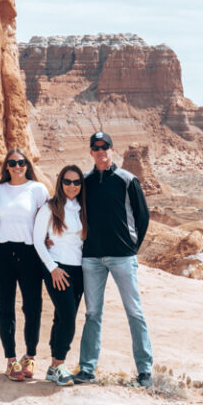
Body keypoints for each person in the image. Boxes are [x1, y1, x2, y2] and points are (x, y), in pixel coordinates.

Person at [74, 130, 154, 387]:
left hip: (122, 257)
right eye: (95, 147)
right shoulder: (84, 182)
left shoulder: (127, 180)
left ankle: (145, 372)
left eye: (104, 146)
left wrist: (131, 247)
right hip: (92, 258)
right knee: (92, 313)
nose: (100, 151)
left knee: (134, 312)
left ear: (111, 148)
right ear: (90, 152)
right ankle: (87, 369)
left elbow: (143, 218)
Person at [0, 148, 48, 381]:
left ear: (27, 165)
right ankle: (11, 360)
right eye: (12, 163)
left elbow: (49, 217)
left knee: (32, 306)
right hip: (2, 252)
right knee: (5, 308)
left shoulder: (37, 189)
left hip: (29, 252)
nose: (17, 166)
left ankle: (30, 356)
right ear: (6, 166)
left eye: (21, 162)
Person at [32, 163, 86, 385]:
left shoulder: (83, 209)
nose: (71, 186)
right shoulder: (50, 208)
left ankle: (53, 367)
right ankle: (60, 364)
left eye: (76, 182)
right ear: (60, 183)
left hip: (78, 270)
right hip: (57, 268)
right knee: (67, 316)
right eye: (67, 181)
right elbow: (37, 240)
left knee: (63, 317)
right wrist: (52, 268)